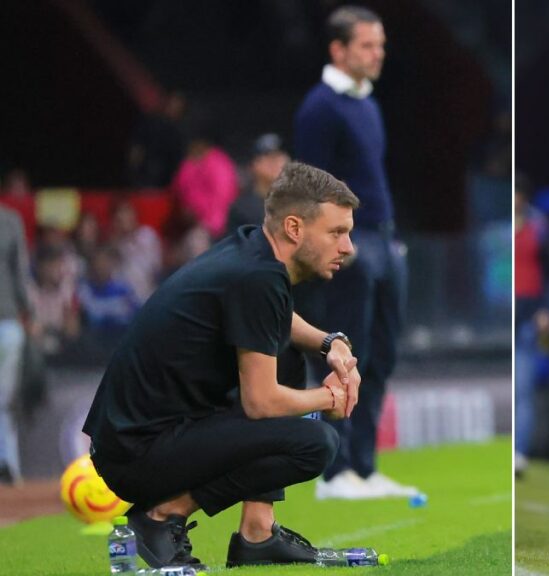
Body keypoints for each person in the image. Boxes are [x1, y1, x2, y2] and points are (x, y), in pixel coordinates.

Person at [83, 162, 364, 568]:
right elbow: (261, 404)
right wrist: (328, 397)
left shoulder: (253, 251)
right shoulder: (259, 277)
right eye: (337, 232)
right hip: (137, 453)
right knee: (315, 444)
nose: (348, 247)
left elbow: (274, 320)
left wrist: (329, 344)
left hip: (141, 435)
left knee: (283, 352)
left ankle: (258, 534)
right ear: (294, 228)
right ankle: (161, 515)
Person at [294, 5, 414, 499]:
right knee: (346, 354)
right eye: (367, 45)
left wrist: (391, 238)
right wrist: (339, 245)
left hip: (384, 239)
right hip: (351, 244)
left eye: (380, 44)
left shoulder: (368, 103)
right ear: (338, 50)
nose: (377, 53)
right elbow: (311, 189)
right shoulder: (319, 108)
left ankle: (364, 466)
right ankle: (335, 470)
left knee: (382, 354)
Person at [514, 174, 549, 477]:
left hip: (528, 318)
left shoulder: (539, 227)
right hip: (505, 315)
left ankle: (519, 452)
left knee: (524, 388)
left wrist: (548, 309)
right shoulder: (500, 229)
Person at [0, 205, 33, 485]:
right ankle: (8, 464)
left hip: (7, 320)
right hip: (8, 321)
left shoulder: (11, 220)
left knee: (5, 398)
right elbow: (20, 272)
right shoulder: (10, 220)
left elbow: (20, 271)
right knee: (4, 399)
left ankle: (7, 464)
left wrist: (29, 312)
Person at [227, 133, 291, 234]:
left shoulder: (301, 202)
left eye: (279, 155)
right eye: (267, 157)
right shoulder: (242, 209)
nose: (275, 162)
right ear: (253, 165)